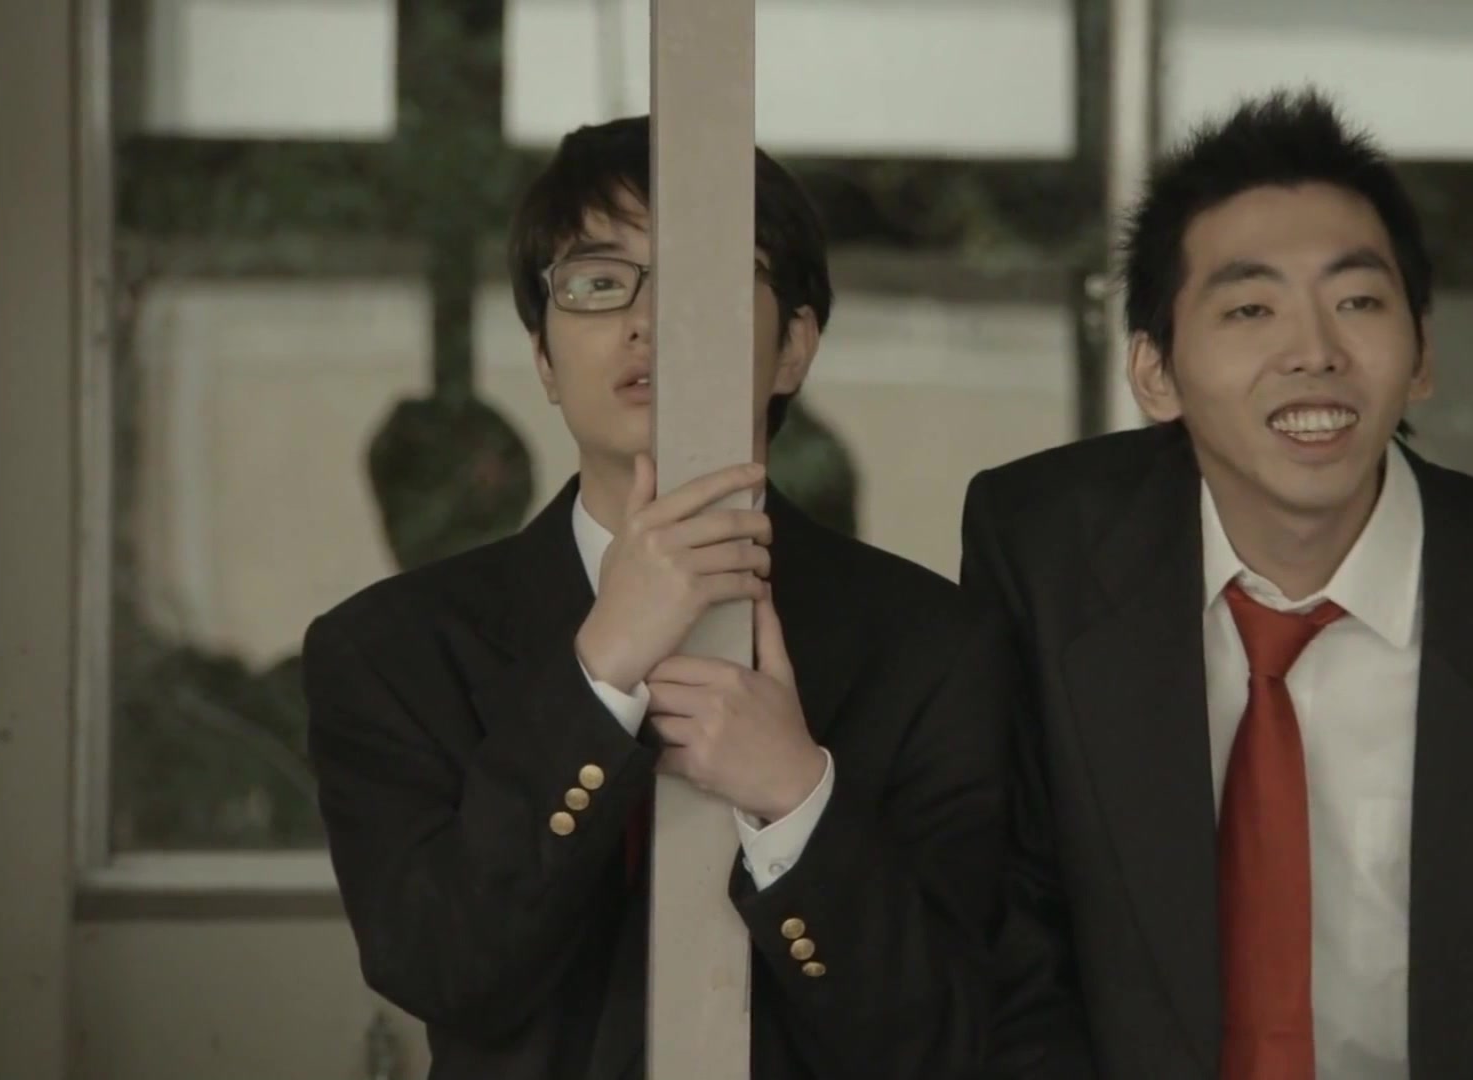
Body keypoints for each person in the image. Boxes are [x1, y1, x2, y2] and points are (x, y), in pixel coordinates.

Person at [964, 89, 1473, 1080]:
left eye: (1358, 302)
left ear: (1422, 353)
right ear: (1155, 373)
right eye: (1251, 309)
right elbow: (1006, 929)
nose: (1315, 352)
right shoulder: (1044, 555)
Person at [302, 115, 1018, 1080]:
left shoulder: (936, 645)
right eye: (599, 283)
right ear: (544, 359)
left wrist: (797, 799)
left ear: (794, 347)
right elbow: (442, 967)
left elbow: (940, 1042)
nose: (646, 321)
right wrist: (600, 673)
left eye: (704, 277)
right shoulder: (390, 649)